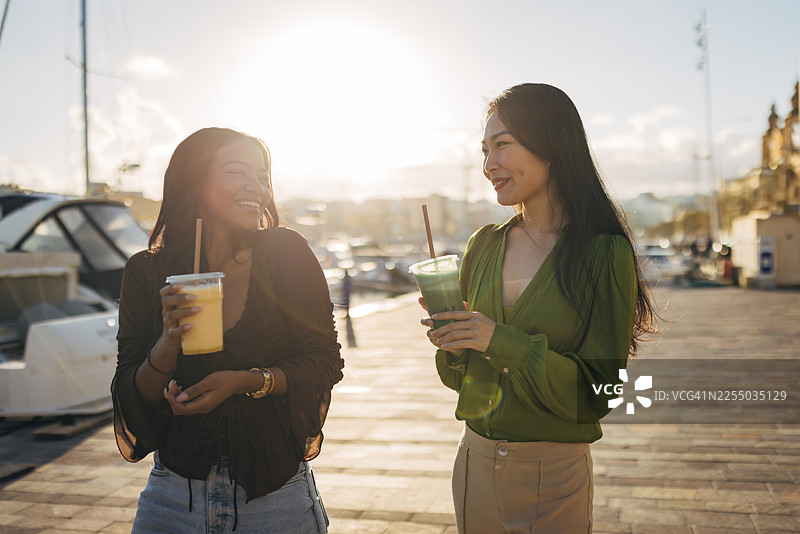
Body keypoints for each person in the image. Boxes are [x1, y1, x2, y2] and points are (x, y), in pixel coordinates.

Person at [419, 84, 657, 534]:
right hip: (473, 464)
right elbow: (461, 381)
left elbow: (599, 391)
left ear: (551, 143)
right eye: (484, 150)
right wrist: (453, 345)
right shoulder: (482, 246)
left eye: (502, 145)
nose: (489, 164)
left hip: (554, 476)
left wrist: (496, 340)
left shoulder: (603, 253)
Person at [111, 127, 344, 533]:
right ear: (195, 181)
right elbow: (132, 390)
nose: (258, 186)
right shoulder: (145, 272)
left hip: (275, 499)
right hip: (172, 496)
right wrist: (167, 343)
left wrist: (247, 381)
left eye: (263, 176)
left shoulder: (285, 254)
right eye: (239, 172)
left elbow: (324, 362)